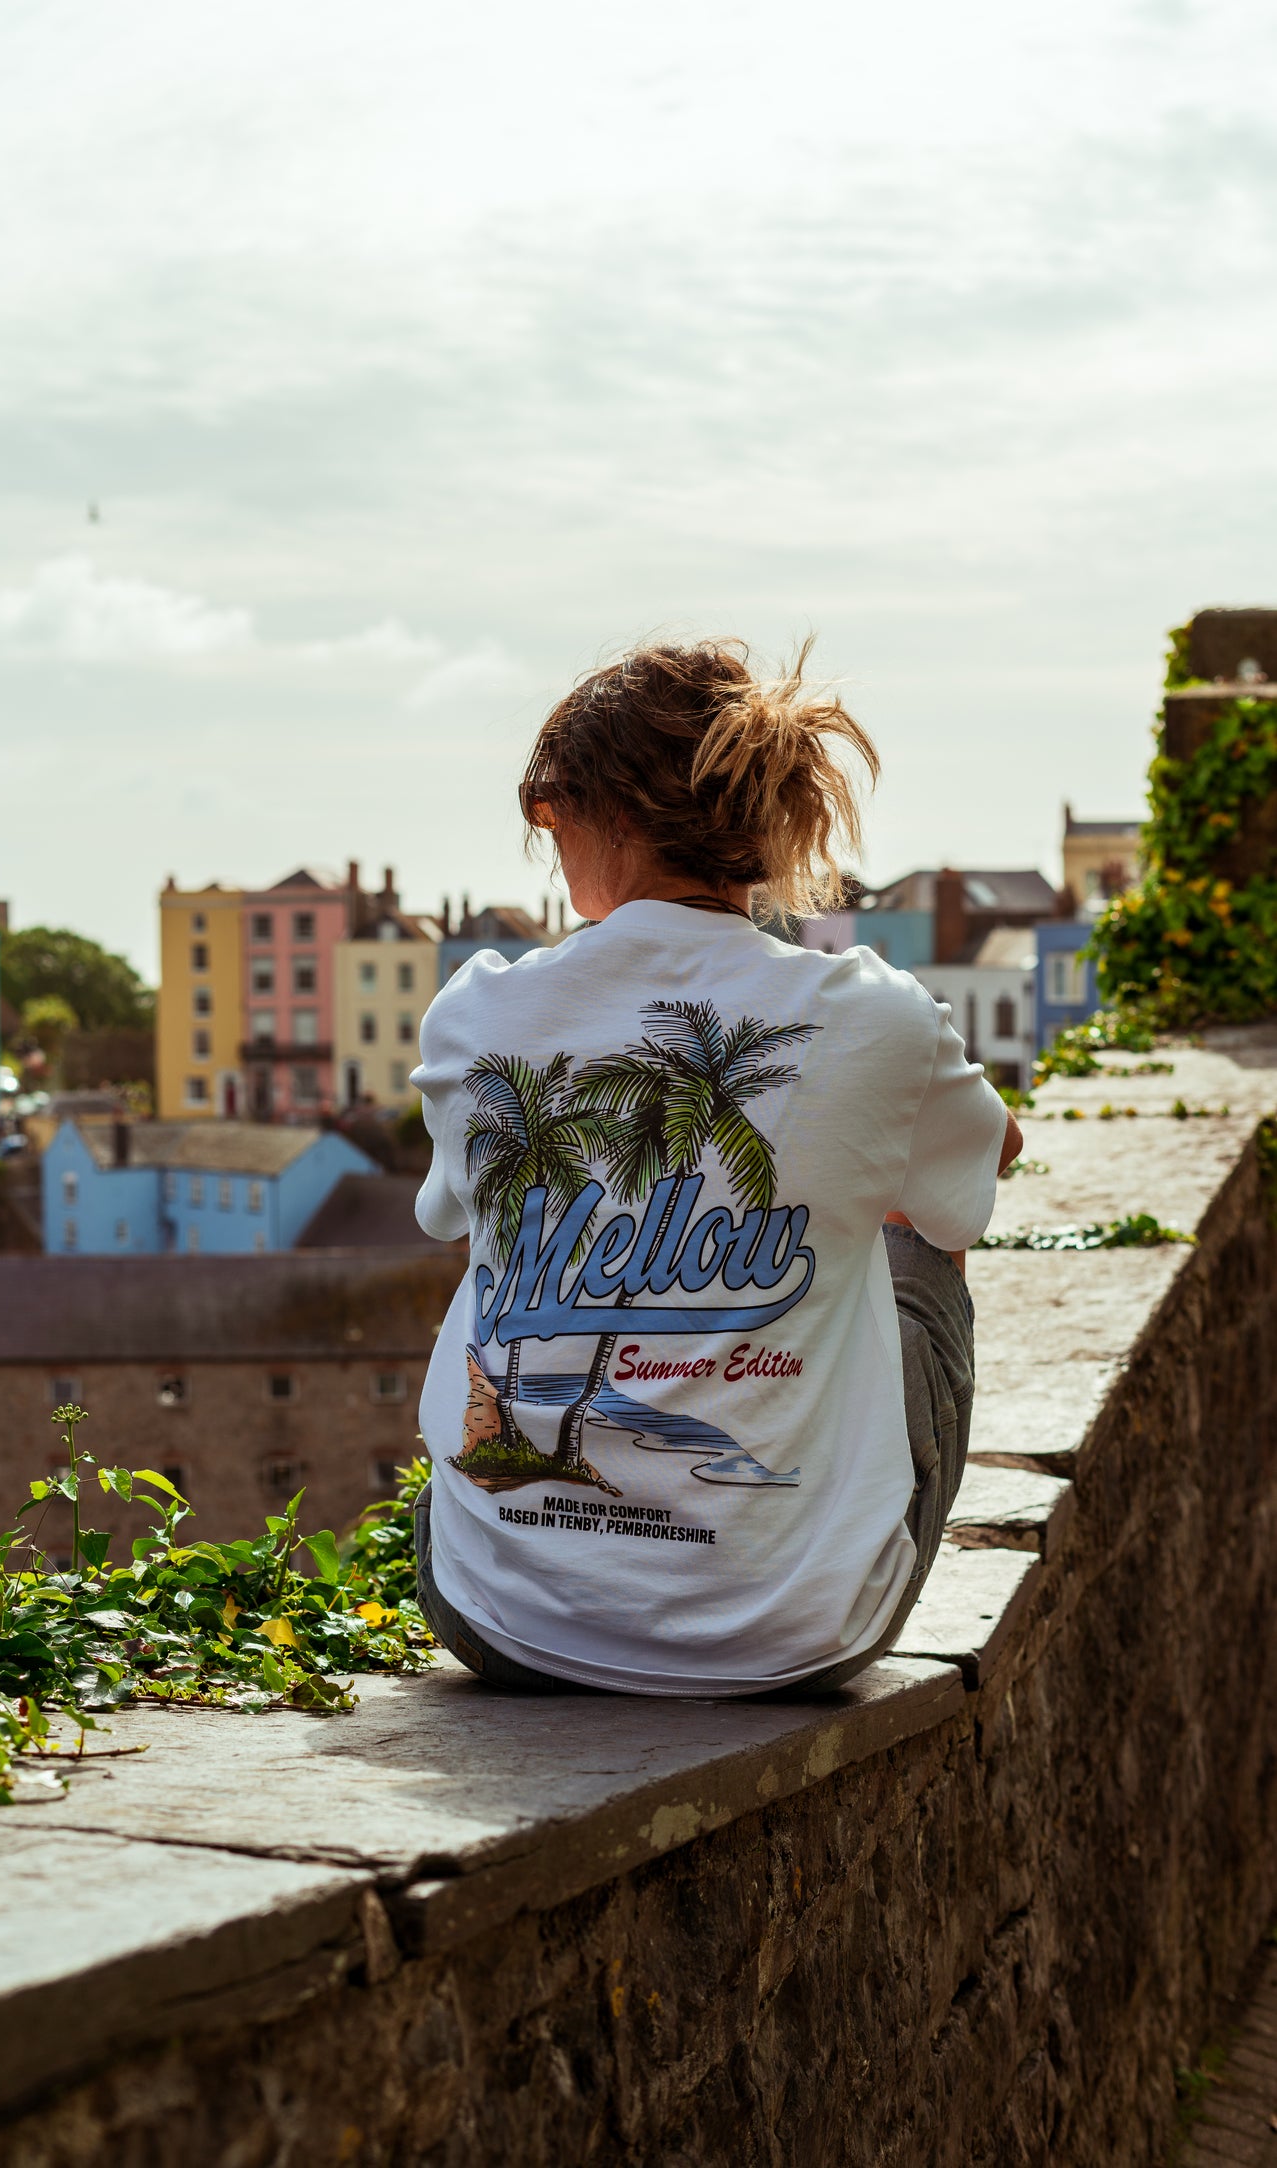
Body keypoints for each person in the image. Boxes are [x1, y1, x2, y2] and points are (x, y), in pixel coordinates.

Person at [411, 638, 1021, 1697]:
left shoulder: (479, 1012)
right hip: (793, 1639)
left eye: (547, 811)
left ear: (609, 813)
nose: (546, 844)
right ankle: (777, 1526)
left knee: (507, 1233)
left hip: (493, 1620)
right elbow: (987, 1160)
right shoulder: (870, 1013)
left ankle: (558, 1535)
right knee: (918, 1223)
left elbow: (445, 1217)